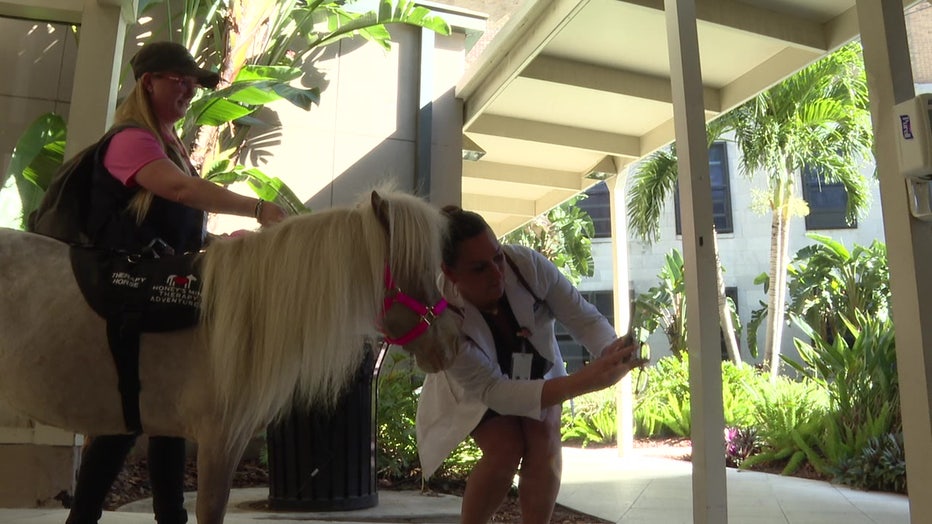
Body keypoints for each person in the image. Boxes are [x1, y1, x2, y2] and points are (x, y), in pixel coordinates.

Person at [65, 41, 286, 524]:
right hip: (122, 284)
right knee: (130, 413)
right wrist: (258, 207)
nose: (189, 88)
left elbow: (174, 222)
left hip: (152, 281)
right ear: (149, 83)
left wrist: (221, 240)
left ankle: (163, 516)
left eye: (193, 81)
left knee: (158, 412)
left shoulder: (170, 143)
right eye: (178, 78)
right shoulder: (132, 139)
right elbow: (181, 191)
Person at [416, 206, 645, 524]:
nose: (497, 274)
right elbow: (494, 391)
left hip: (537, 371)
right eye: (480, 268)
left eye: (497, 257)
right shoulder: (442, 316)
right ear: (450, 273)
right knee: (505, 451)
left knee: (545, 438)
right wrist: (586, 380)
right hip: (480, 390)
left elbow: (584, 318)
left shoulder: (526, 265)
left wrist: (610, 350)